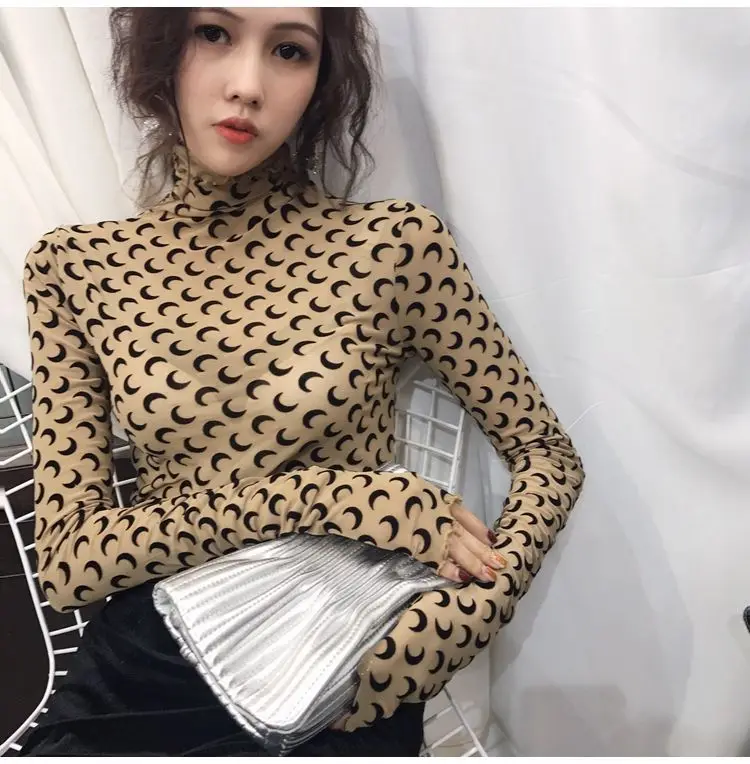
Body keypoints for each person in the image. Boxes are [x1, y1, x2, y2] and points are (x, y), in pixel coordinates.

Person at [19, 6, 585, 757]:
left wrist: (474, 610)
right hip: (148, 677)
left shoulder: (392, 247)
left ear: (322, 80)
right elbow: (69, 563)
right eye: (214, 34)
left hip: (341, 666)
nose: (247, 85)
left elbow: (547, 452)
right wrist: (332, 497)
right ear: (165, 45)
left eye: (289, 51)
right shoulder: (78, 268)